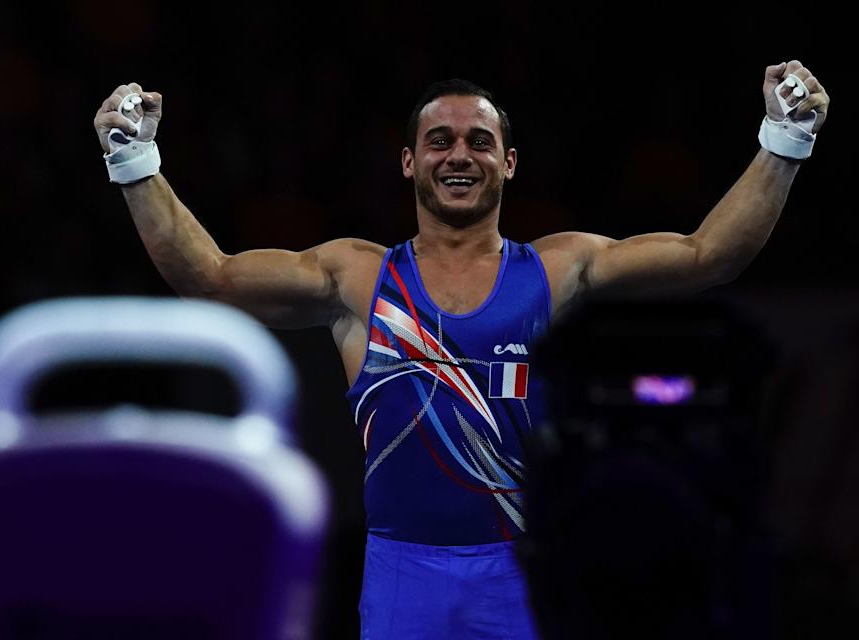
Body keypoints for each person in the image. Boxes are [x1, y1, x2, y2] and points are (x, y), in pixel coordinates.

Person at [92, 60, 829, 639]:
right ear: (408, 162)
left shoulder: (558, 270)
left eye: (480, 141)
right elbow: (211, 277)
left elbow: (708, 256)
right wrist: (134, 160)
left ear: (509, 164)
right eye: (439, 141)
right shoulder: (359, 278)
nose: (459, 155)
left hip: (525, 572)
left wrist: (785, 140)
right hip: (403, 575)